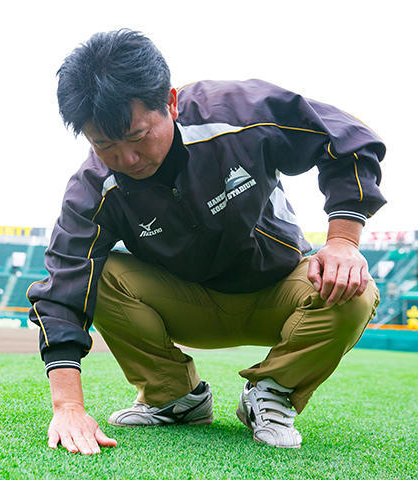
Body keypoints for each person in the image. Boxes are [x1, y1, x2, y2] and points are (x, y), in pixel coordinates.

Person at [27, 29, 385, 454]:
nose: (126, 159)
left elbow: (348, 141)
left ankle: (273, 392)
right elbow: (62, 289)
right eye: (104, 144)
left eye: (138, 135)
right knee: (99, 274)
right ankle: (175, 397)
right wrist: (67, 404)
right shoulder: (93, 189)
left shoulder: (237, 114)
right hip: (188, 302)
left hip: (280, 289)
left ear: (171, 103)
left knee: (355, 291)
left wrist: (344, 240)